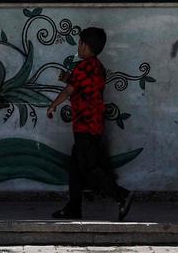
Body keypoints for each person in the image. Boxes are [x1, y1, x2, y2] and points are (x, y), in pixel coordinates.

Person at [47, 26, 131, 220]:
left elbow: (69, 90)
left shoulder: (83, 66)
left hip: (86, 125)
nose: (79, 46)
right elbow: (83, 86)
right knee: (76, 169)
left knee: (89, 168)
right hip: (94, 125)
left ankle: (121, 196)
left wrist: (53, 106)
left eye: (80, 43)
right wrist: (70, 79)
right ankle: (73, 208)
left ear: (84, 45)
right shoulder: (97, 66)